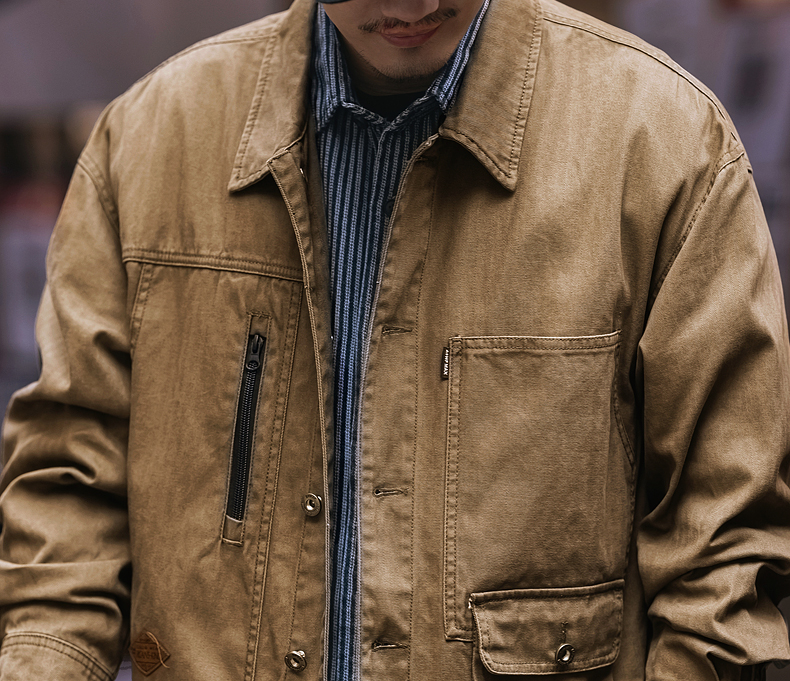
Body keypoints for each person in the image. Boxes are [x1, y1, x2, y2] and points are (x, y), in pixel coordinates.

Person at [1, 0, 789, 677]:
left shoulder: (666, 149)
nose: (412, 2)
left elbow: (725, 561)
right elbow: (68, 499)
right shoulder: (148, 147)